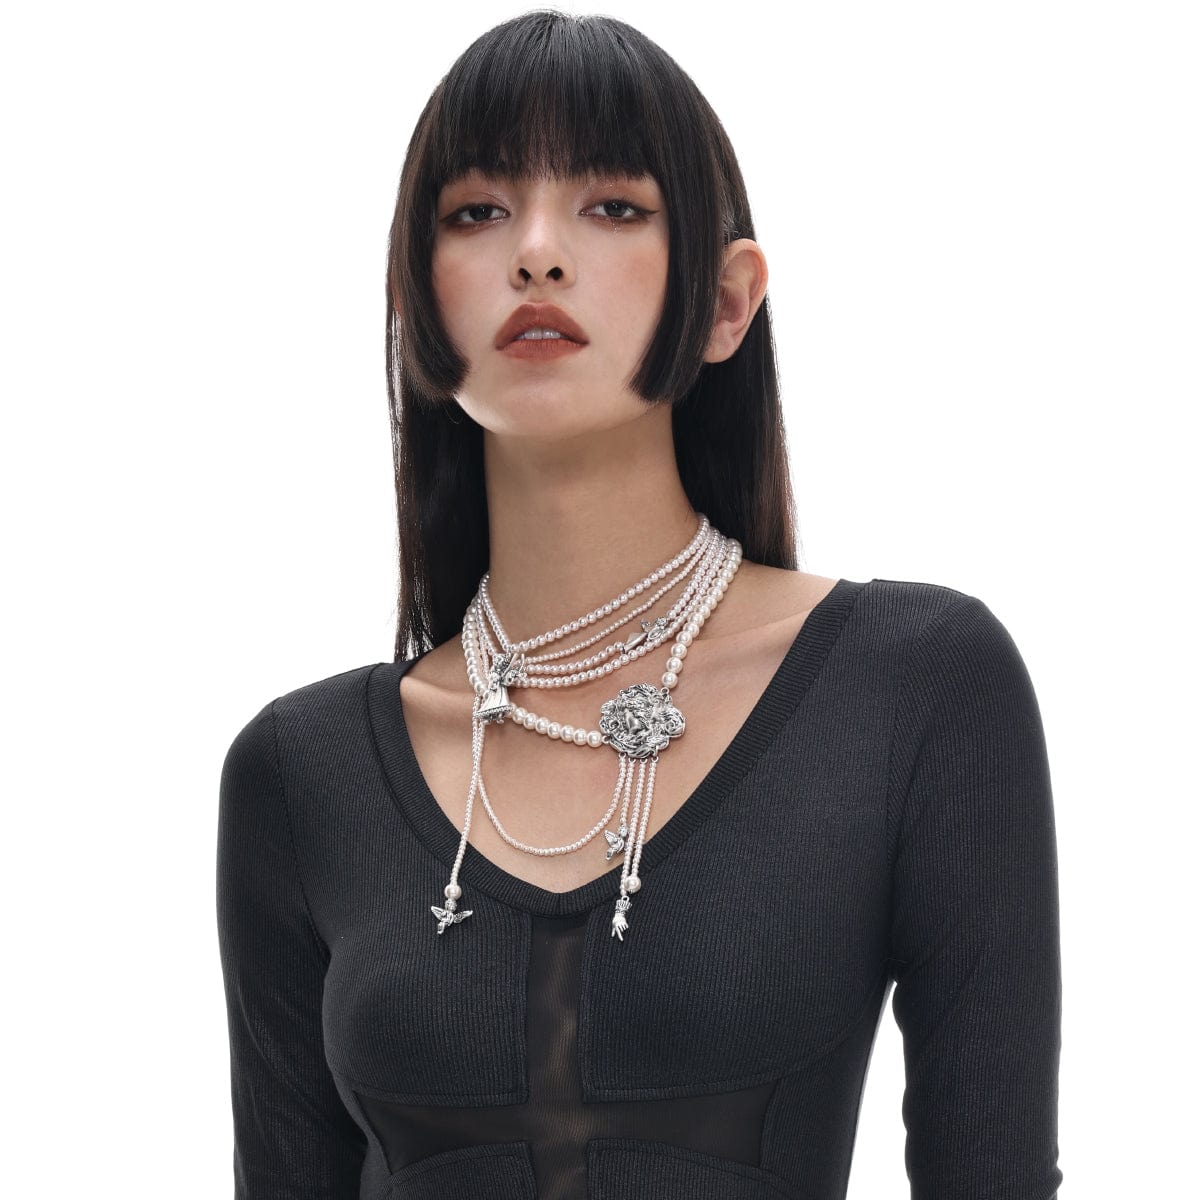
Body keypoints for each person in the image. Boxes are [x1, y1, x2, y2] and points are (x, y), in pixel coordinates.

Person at [215, 10, 1063, 1199]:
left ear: (728, 302)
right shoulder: (299, 772)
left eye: (613, 205)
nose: (537, 253)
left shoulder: (917, 686)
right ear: (413, 307)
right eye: (478, 211)